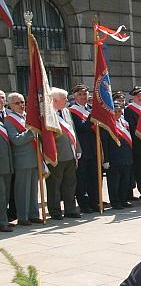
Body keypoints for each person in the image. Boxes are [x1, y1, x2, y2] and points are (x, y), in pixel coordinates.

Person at [5, 93, 43, 226]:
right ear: (10, 106)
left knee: (33, 190)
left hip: (34, 157)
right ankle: (23, 216)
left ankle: (33, 214)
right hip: (22, 160)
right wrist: (32, 131)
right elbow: (16, 140)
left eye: (22, 102)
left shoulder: (28, 116)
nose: (21, 105)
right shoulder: (9, 120)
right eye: (17, 103)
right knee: (22, 190)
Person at [48, 87, 82, 219]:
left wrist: (78, 149)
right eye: (64, 99)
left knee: (70, 184)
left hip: (70, 154)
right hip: (56, 155)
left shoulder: (66, 112)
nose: (67, 100)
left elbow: (72, 131)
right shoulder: (48, 114)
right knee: (54, 185)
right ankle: (55, 211)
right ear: (55, 100)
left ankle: (70, 209)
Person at [69, 84, 100, 213]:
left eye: (85, 94)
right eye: (80, 94)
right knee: (82, 179)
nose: (83, 97)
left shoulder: (90, 109)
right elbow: (82, 128)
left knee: (94, 177)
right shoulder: (72, 111)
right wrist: (92, 116)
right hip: (82, 149)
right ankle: (84, 204)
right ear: (75, 96)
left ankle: (95, 201)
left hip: (94, 148)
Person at [103, 100, 134, 210]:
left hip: (126, 156)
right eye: (115, 111)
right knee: (114, 182)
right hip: (113, 158)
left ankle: (123, 200)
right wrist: (106, 159)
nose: (117, 113)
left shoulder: (125, 123)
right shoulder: (108, 125)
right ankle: (115, 202)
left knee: (125, 181)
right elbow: (105, 143)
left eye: (119, 111)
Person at [0, 105, 12, 232]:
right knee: (1, 195)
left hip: (6, 164)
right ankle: (2, 222)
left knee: (5, 195)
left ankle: (4, 220)